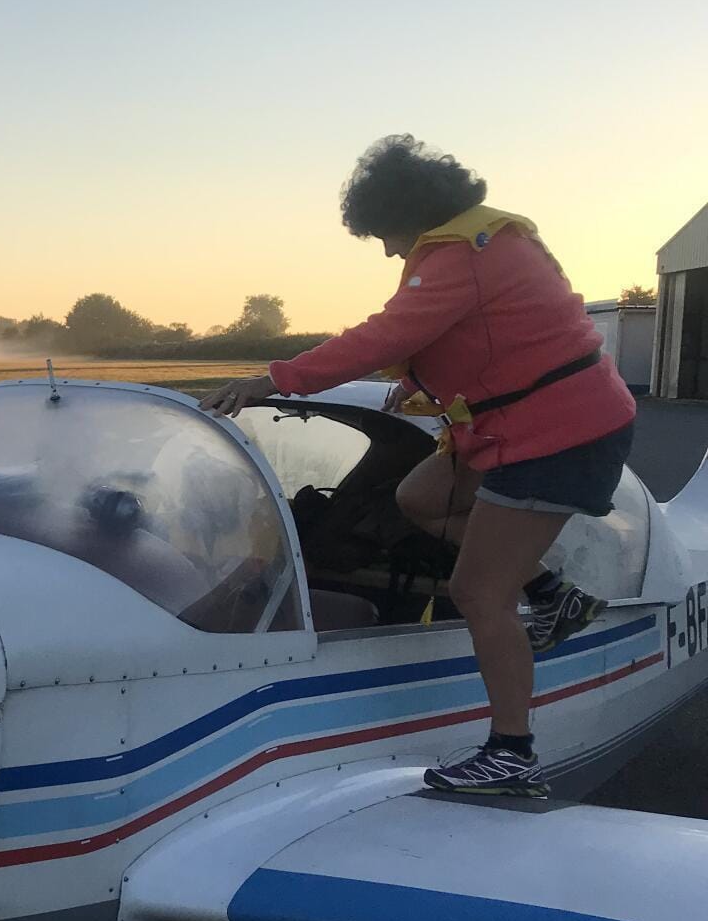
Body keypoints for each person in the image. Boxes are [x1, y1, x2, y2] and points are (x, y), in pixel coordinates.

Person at [199, 135, 636, 796]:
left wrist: (273, 380)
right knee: (421, 498)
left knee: (479, 590)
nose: (386, 249)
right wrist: (426, 381)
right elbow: (499, 340)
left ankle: (511, 754)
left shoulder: (466, 256)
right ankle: (552, 594)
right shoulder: (484, 247)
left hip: (558, 433)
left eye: (384, 233)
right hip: (536, 423)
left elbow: (385, 334)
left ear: (411, 212)